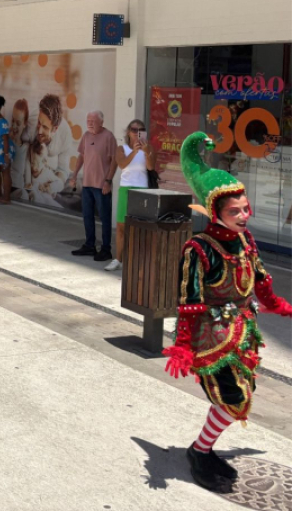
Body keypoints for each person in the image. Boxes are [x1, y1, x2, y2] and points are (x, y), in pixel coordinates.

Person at [163, 131, 291, 492]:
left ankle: (201, 449)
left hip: (243, 331)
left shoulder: (246, 241)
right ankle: (199, 451)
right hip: (211, 334)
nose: (244, 215)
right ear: (214, 212)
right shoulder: (199, 249)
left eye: (245, 208)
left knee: (242, 393)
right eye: (235, 211)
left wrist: (281, 307)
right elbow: (189, 300)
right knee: (233, 396)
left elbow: (261, 281)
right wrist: (184, 345)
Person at [68, 111, 117, 262]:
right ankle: (90, 245)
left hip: (101, 185)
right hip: (87, 184)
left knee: (104, 217)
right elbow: (81, 156)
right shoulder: (86, 136)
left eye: (93, 121)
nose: (89, 123)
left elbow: (114, 160)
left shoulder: (108, 137)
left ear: (101, 122)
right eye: (88, 120)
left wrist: (108, 181)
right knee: (87, 216)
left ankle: (106, 249)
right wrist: (75, 174)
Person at [106, 119, 154, 272]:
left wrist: (146, 152)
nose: (137, 133)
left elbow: (151, 167)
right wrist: (134, 151)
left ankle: (137, 258)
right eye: (134, 129)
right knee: (121, 226)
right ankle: (118, 259)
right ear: (128, 132)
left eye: (141, 130)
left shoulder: (149, 148)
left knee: (140, 227)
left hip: (142, 190)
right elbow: (122, 164)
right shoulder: (122, 148)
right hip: (126, 188)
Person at [8, 99, 31, 195]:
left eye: (18, 123)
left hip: (18, 189)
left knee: (24, 194)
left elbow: (28, 180)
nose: (14, 126)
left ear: (25, 124)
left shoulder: (26, 148)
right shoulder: (6, 141)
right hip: (5, 186)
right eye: (12, 120)